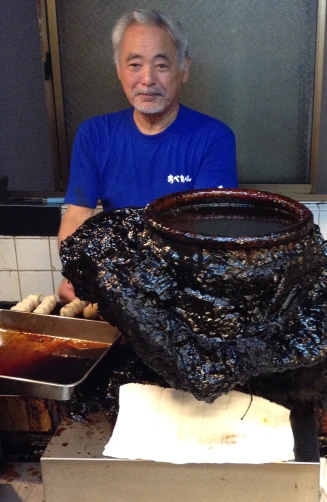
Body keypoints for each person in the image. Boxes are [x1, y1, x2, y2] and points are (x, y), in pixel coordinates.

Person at [58, 9, 238, 301]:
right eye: (134, 64)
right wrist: (74, 268)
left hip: (183, 293)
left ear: (184, 69)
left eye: (162, 65)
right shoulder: (94, 134)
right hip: (118, 290)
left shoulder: (213, 138)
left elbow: (211, 234)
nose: (147, 79)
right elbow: (77, 215)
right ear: (118, 70)